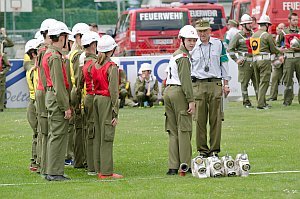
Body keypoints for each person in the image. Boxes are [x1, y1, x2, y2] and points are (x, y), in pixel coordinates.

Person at [190, 19, 231, 158]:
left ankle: (214, 151)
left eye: (205, 30)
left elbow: (224, 63)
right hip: (198, 85)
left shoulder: (218, 44)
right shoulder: (192, 45)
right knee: (200, 120)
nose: (202, 34)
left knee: (216, 119)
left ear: (210, 31)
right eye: (200, 31)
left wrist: (226, 83)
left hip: (215, 84)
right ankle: (202, 151)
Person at [164, 25, 197, 175]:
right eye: (189, 40)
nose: (192, 43)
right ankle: (185, 165)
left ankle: (173, 166)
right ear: (182, 40)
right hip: (178, 92)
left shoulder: (175, 55)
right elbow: (186, 81)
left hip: (169, 91)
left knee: (173, 131)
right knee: (184, 130)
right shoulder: (183, 58)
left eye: (194, 40)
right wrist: (191, 100)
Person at [43, 21, 72, 181]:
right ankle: (54, 172)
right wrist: (65, 106)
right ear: (61, 37)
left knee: (55, 135)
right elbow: (59, 85)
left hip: (51, 97)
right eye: (66, 37)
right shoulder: (54, 57)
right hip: (56, 99)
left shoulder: (48, 53)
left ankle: (52, 171)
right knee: (58, 136)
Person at [92, 35, 123, 179]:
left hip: (96, 100)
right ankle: (106, 171)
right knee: (107, 136)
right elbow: (114, 91)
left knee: (99, 136)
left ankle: (99, 168)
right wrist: (115, 112)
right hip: (106, 101)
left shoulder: (95, 65)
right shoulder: (111, 67)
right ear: (112, 50)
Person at [35, 18, 57, 175]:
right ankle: (44, 166)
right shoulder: (45, 51)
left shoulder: (42, 50)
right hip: (44, 91)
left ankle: (43, 164)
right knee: (46, 131)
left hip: (42, 91)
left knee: (45, 131)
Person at [250, 15, 283, 110]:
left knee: (259, 82)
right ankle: (261, 105)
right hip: (264, 61)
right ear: (267, 25)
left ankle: (263, 102)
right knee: (264, 82)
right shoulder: (266, 35)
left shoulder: (254, 35)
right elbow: (273, 49)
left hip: (255, 60)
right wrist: (280, 51)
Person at [78, 31, 99, 175]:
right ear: (93, 45)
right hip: (93, 97)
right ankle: (93, 166)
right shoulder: (93, 63)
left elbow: (78, 84)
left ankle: (91, 164)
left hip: (87, 98)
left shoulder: (85, 62)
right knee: (93, 131)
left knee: (90, 130)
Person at [69, 23, 90, 169]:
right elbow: (78, 79)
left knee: (80, 128)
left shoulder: (74, 54)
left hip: (77, 93)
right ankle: (80, 160)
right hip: (79, 94)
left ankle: (80, 159)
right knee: (80, 129)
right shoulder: (77, 55)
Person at [228, 14, 258, 108]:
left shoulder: (254, 34)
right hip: (244, 63)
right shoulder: (238, 36)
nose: (250, 25)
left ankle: (260, 101)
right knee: (244, 83)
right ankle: (246, 102)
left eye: (250, 23)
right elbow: (230, 49)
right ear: (243, 25)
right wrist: (236, 60)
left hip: (255, 61)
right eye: (248, 23)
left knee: (257, 82)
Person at [276, 12, 300, 106]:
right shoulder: (284, 32)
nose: (296, 21)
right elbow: (277, 45)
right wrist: (280, 55)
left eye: (297, 19)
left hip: (299, 58)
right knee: (288, 81)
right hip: (288, 59)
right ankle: (287, 101)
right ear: (289, 20)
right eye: (294, 20)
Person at [24, 39, 39, 171]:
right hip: (35, 103)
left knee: (37, 134)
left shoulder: (31, 68)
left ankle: (35, 162)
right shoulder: (34, 70)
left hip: (32, 103)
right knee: (38, 133)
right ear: (34, 54)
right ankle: (35, 162)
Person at [268, 23, 285, 101]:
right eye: (279, 28)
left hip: (286, 60)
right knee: (274, 78)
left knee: (288, 79)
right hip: (278, 61)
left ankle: (287, 97)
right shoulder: (275, 38)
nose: (281, 30)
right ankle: (272, 96)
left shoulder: (286, 36)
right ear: (277, 29)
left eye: (282, 28)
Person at [0, 27, 14, 112]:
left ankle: (2, 105)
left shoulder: (2, 42)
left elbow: (11, 43)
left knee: (2, 89)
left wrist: (4, 35)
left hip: (1, 64)